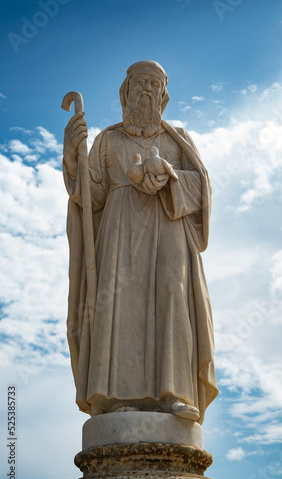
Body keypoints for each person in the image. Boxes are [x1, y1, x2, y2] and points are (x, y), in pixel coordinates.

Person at [63, 60, 218, 425]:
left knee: (172, 294)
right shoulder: (107, 139)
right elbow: (92, 198)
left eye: (154, 84)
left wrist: (170, 177)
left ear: (163, 96)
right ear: (126, 92)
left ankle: (175, 394)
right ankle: (120, 399)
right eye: (139, 84)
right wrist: (73, 155)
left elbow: (202, 189)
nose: (146, 90)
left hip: (168, 229)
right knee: (120, 304)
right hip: (119, 234)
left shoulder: (177, 138)